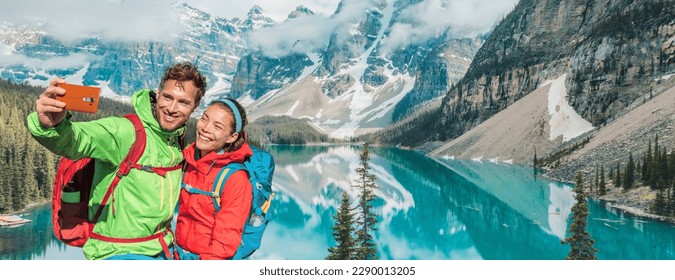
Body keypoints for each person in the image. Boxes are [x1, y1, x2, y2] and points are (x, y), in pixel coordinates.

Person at [26, 62, 207, 260]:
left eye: (183, 102)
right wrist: (51, 125)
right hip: (117, 254)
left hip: (162, 250)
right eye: (168, 97)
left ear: (195, 106)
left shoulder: (175, 140)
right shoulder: (125, 132)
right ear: (158, 93)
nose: (171, 108)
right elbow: (75, 141)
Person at [174, 98, 254, 260]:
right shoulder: (189, 160)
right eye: (204, 118)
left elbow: (224, 244)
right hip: (178, 254)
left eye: (217, 126)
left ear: (231, 137)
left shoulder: (235, 179)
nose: (205, 129)